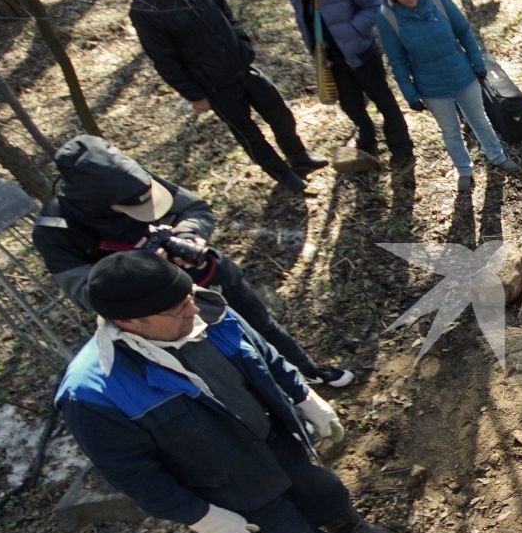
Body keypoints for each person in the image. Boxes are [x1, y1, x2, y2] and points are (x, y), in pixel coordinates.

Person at [57, 252, 398, 533]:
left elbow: (264, 356)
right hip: (230, 490)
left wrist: (304, 397)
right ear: (129, 323)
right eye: (176, 309)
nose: (192, 309)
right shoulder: (95, 393)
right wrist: (202, 516)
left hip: (275, 445)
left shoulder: (207, 311)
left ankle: (352, 528)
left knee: (323, 491)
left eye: (189, 297)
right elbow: (135, 476)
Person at [33, 134, 353, 387]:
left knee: (262, 326)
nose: (143, 205)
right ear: (97, 200)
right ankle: (275, 403)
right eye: (131, 206)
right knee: (223, 359)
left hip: (209, 272)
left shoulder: (133, 180)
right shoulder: (56, 231)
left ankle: (305, 372)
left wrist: (188, 237)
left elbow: (194, 208)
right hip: (164, 312)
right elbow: (88, 295)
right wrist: (140, 267)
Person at [124, 0, 324, 193]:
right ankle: (284, 175)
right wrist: (194, 94)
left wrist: (241, 41)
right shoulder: (145, 10)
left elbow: (222, 7)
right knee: (250, 136)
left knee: (280, 114)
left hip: (241, 65)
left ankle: (299, 157)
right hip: (214, 85)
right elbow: (164, 59)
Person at [372, 0, 522, 181]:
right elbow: (398, 61)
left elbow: (463, 31)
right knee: (451, 132)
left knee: (479, 120)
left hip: (463, 75)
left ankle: (497, 156)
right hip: (431, 88)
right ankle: (464, 171)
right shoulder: (388, 18)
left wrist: (477, 63)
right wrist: (410, 94)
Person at [274, 0, 414, 170]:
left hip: (361, 53)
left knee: (383, 101)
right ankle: (367, 138)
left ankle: (401, 147)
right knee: (350, 103)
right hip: (331, 59)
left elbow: (373, 4)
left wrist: (353, 30)